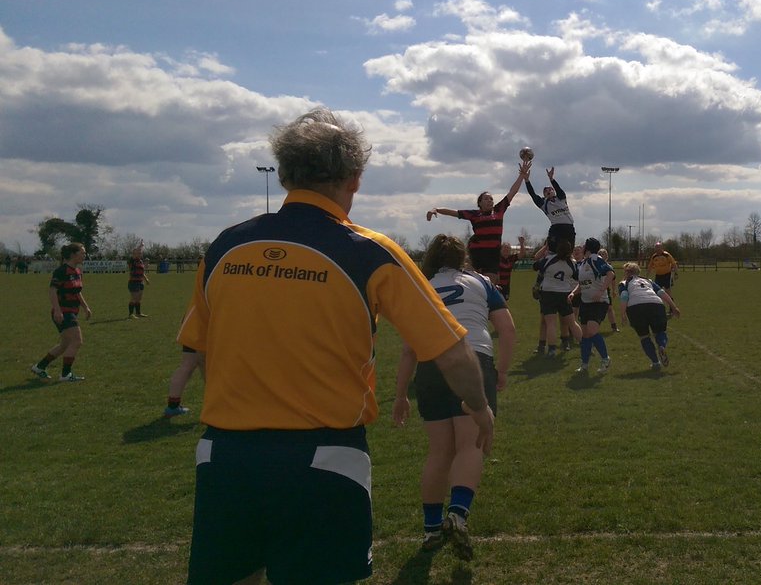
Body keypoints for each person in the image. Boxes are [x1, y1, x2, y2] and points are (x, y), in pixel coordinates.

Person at [176, 107, 494, 585]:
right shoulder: (370, 251)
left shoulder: (226, 246)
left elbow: (199, 349)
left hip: (226, 456)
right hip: (323, 457)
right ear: (355, 179)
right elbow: (451, 351)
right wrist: (478, 405)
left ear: (284, 175)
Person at [394, 234, 515, 561]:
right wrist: (502, 372)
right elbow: (508, 328)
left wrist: (401, 394)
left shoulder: (422, 285)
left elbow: (407, 349)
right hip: (472, 361)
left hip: (430, 366)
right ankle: (458, 515)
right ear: (463, 256)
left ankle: (432, 528)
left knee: (439, 451)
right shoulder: (481, 282)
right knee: (470, 444)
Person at [426, 160, 531, 282]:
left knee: (492, 282)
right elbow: (454, 212)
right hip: (477, 253)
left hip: (493, 254)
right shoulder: (474, 214)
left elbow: (512, 192)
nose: (490, 201)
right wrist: (436, 209)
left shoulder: (499, 210)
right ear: (480, 203)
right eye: (486, 199)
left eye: (491, 199)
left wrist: (522, 176)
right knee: (474, 282)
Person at [30, 242, 92, 382]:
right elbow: (52, 291)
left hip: (72, 311)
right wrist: (57, 311)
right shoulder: (61, 271)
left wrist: (85, 307)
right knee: (77, 341)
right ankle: (65, 374)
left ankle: (39, 367)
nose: (84, 255)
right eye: (82, 252)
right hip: (64, 312)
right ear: (73, 254)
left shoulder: (77, 271)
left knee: (65, 344)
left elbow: (77, 292)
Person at [618, 262, 681, 370]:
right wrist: (673, 307)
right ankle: (661, 346)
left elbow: (624, 296)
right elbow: (662, 293)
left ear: (627, 272)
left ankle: (655, 362)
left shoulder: (624, 283)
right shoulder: (648, 281)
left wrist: (623, 314)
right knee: (660, 332)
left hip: (636, 307)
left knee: (644, 336)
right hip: (656, 304)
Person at [573, 238, 616, 375]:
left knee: (591, 331)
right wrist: (573, 293)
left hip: (599, 303)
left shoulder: (595, 259)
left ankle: (605, 359)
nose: (583, 246)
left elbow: (611, 274)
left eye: (585, 245)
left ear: (589, 247)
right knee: (585, 335)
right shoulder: (584, 263)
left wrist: (601, 290)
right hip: (585, 303)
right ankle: (584, 364)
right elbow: (582, 283)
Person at [533, 238, 581, 358]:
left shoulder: (549, 259)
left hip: (548, 293)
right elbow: (577, 277)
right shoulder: (572, 263)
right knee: (572, 322)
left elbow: (535, 266)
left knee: (550, 323)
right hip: (564, 293)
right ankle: (585, 344)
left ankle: (552, 349)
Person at [525, 166, 575, 252]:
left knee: (569, 251)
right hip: (556, 228)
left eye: (550, 189)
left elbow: (558, 189)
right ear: (544, 195)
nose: (548, 191)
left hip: (569, 228)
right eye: (545, 191)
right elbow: (532, 194)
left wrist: (551, 179)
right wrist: (527, 180)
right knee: (553, 250)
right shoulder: (544, 203)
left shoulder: (561, 198)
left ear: (553, 191)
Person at [163, 347, 205, 417]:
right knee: (211, 368)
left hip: (190, 337)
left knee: (186, 365)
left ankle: (173, 406)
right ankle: (217, 406)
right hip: (211, 338)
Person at [495, 235, 527, 300]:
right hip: (496, 285)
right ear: (501, 249)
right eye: (505, 248)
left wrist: (521, 243)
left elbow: (522, 254)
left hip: (506, 285)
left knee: (504, 302)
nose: (506, 250)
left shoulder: (511, 258)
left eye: (508, 248)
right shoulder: (497, 258)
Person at [598, 247, 620, 332]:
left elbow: (613, 280)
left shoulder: (609, 267)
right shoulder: (595, 265)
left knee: (610, 308)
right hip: (596, 289)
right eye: (600, 254)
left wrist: (614, 290)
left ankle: (614, 327)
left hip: (606, 290)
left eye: (604, 254)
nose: (602, 256)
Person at [127, 243, 151, 319]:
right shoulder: (132, 260)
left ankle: (138, 313)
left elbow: (142, 272)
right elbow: (136, 252)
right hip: (133, 282)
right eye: (138, 253)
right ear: (134, 254)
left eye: (140, 253)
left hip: (140, 282)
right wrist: (141, 246)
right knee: (133, 298)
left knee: (139, 298)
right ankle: (131, 314)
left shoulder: (140, 261)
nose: (139, 254)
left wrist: (146, 279)